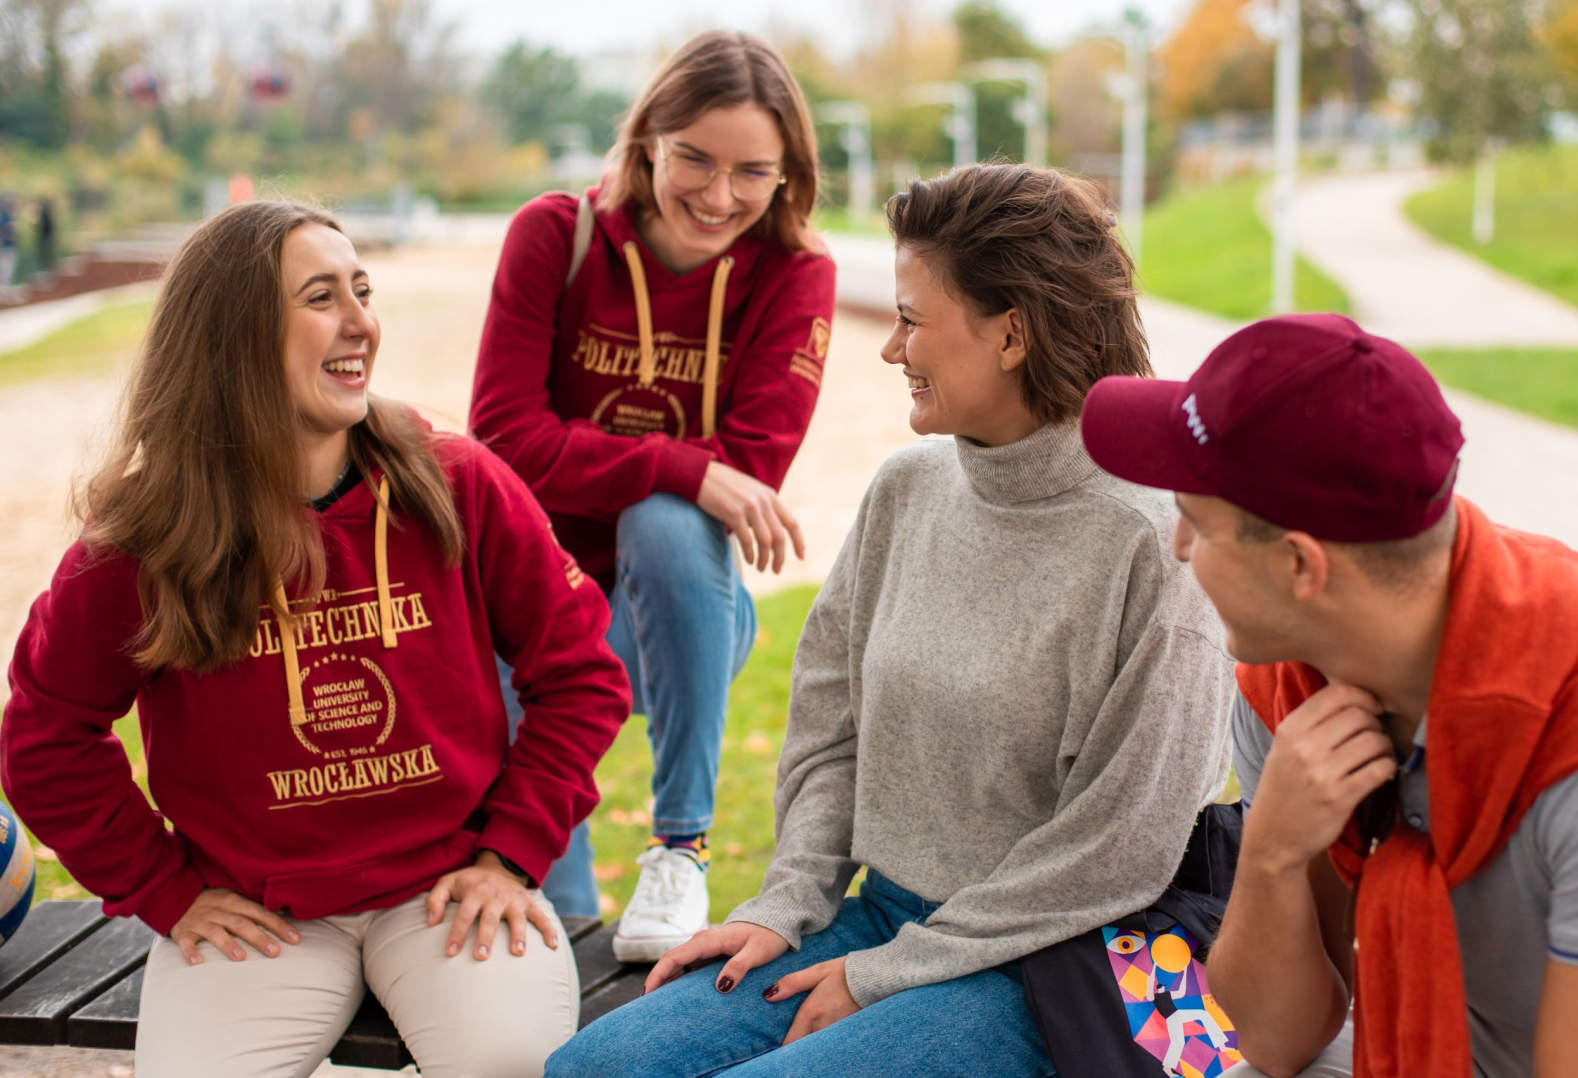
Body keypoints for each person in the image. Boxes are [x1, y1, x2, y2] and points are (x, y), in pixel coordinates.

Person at [544, 163, 1234, 1078]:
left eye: (911, 321)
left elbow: (1120, 848)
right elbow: (830, 728)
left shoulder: (1152, 542)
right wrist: (783, 902)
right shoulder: (907, 491)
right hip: (877, 912)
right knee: (590, 1071)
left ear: (1013, 334)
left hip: (1051, 960)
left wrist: (890, 975)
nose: (890, 348)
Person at [1076, 313, 1578, 1078]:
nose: (1178, 549)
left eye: (1194, 520)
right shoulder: (1290, 683)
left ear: (1302, 567)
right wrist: (1273, 854)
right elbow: (1281, 1038)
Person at [0, 200, 632, 1078]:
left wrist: (510, 852)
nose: (362, 323)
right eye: (322, 296)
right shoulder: (147, 537)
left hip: (445, 893)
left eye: (362, 291)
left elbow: (582, 675)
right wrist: (165, 890)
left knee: (511, 1065)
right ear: (237, 336)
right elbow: (45, 731)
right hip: (264, 915)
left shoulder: (455, 482)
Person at [470, 30, 836, 949]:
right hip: (531, 612)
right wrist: (684, 462)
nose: (719, 197)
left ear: (788, 173)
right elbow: (504, 440)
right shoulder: (555, 235)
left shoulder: (796, 276)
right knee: (542, 919)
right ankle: (557, 936)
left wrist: (675, 480)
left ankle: (683, 847)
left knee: (669, 521)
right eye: (695, 161)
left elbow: (747, 469)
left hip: (686, 613)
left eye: (752, 172)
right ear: (647, 143)